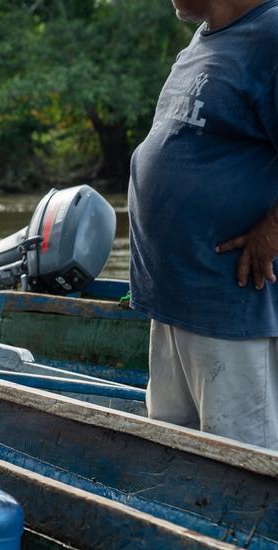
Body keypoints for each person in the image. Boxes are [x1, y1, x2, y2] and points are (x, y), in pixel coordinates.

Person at [129, 0, 278, 448]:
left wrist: (271, 231)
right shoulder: (207, 37)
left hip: (229, 301)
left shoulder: (272, 35)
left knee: (240, 457)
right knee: (175, 454)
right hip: (175, 297)